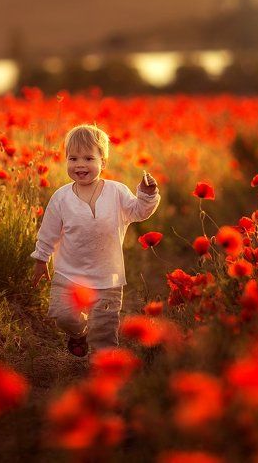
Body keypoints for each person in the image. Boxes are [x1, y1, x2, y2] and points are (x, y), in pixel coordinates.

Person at [30, 123, 161, 357]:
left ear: (104, 162)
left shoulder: (116, 192)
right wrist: (41, 259)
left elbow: (139, 211)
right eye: (73, 158)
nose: (80, 164)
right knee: (64, 316)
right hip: (68, 274)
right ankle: (79, 332)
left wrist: (147, 195)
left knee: (103, 331)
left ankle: (104, 372)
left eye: (89, 158)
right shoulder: (61, 198)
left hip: (106, 277)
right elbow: (48, 232)